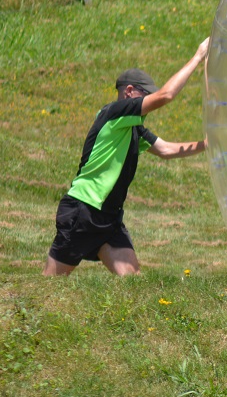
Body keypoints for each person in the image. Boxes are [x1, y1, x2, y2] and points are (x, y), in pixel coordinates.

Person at [43, 38, 210, 276]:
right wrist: (198, 56)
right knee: (49, 286)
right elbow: (166, 95)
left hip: (109, 218)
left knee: (134, 283)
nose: (147, 101)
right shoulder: (114, 113)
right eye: (145, 95)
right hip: (84, 210)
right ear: (129, 92)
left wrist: (207, 145)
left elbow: (166, 150)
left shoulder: (132, 128)